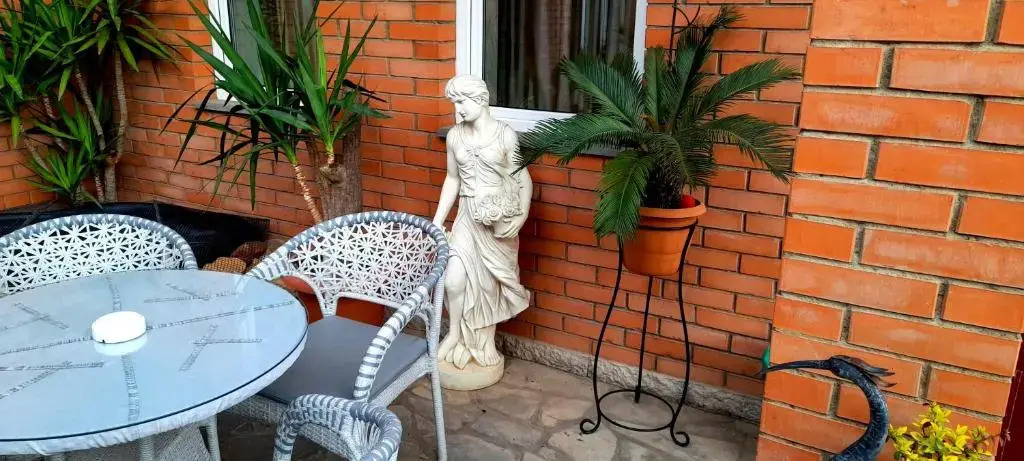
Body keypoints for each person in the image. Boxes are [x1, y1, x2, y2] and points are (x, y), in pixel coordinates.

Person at [432, 74, 532, 370]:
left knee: (487, 287)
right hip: (467, 215)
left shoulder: (504, 135)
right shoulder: (454, 136)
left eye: (462, 102)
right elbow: (452, 179)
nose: (458, 109)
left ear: (480, 99)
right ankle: (454, 334)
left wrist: (521, 214)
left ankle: (482, 344)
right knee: (453, 279)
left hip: (496, 221)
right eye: (454, 103)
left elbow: (522, 177)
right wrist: (438, 220)